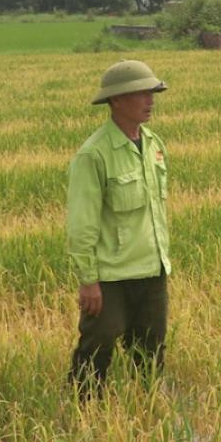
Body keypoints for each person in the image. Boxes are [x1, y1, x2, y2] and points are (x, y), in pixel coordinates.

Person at [66, 60, 172, 397]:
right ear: (116, 101)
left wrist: (162, 263)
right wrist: (88, 280)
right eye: (141, 93)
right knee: (98, 343)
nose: (150, 100)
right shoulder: (94, 154)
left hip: (152, 268)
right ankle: (84, 410)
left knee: (151, 347)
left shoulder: (153, 144)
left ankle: (150, 410)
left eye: (152, 92)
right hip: (110, 275)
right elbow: (82, 223)